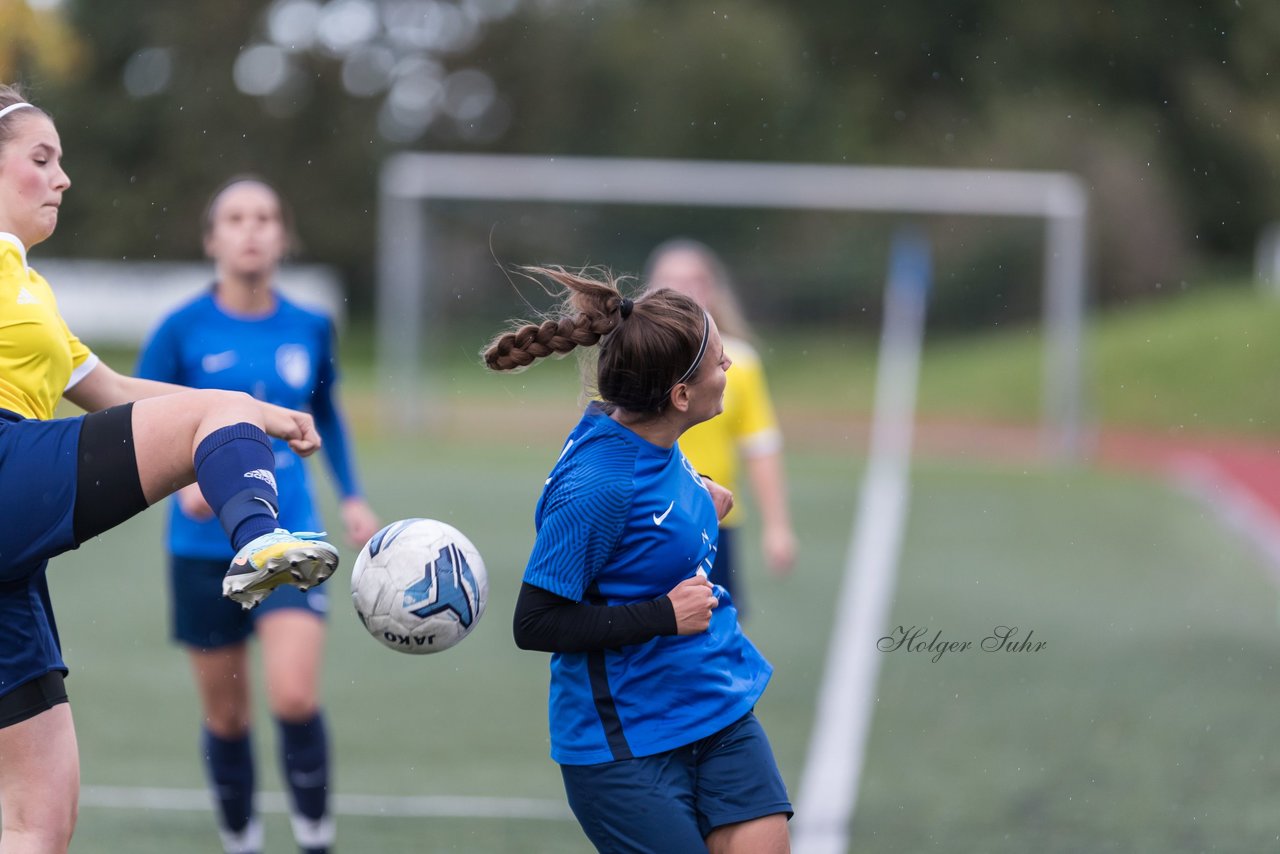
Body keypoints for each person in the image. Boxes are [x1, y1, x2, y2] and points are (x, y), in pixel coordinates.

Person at [0, 86, 339, 854]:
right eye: (42, 159)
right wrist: (228, 414)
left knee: (40, 822)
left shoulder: (32, 293)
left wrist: (257, 412)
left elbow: (113, 394)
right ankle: (259, 539)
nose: (63, 179)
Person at [485, 266, 792, 853]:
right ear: (680, 396)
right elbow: (535, 623)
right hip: (624, 743)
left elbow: (649, 486)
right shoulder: (597, 485)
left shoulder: (643, 431)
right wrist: (663, 615)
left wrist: (697, 489)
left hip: (715, 706)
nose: (729, 369)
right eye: (718, 362)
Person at [136, 176, 378, 854]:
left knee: (294, 699)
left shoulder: (309, 326)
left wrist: (351, 493)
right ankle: (241, 841)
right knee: (228, 716)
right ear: (213, 238)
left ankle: (314, 839)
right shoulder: (181, 330)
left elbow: (324, 409)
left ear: (283, 235)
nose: (252, 229)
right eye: (236, 218)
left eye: (266, 217)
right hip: (200, 547)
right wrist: (178, 476)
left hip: (292, 536)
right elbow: (135, 416)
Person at [644, 238, 797, 612]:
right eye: (671, 281)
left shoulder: (738, 363)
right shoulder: (635, 354)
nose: (684, 291)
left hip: (714, 519)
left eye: (694, 280)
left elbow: (760, 447)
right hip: (645, 520)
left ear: (712, 289)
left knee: (713, 633)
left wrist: (777, 526)